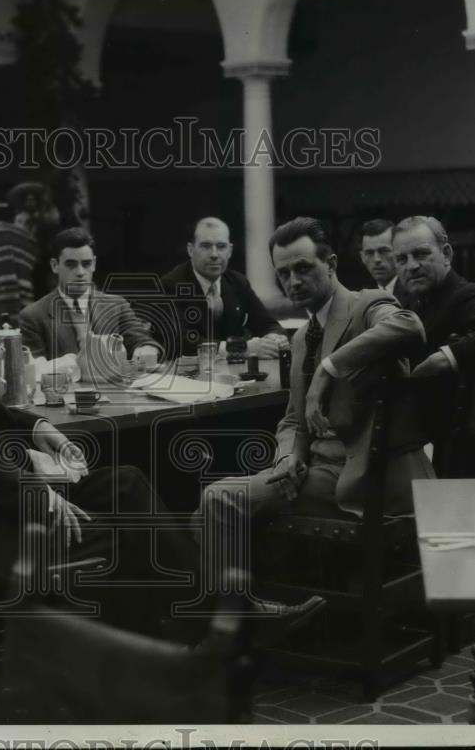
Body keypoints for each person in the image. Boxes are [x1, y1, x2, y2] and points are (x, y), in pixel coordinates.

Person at [0, 225, 319, 641]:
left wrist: (39, 427)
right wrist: (37, 492)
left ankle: (203, 620)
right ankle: (203, 632)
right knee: (132, 523)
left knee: (127, 481)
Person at [198, 218, 432, 540]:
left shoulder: (365, 305)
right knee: (208, 505)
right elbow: (294, 420)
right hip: (314, 472)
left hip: (363, 479)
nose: (293, 281)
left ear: (331, 263)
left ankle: (230, 590)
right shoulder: (302, 337)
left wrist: (329, 367)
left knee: (218, 500)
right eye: (283, 274)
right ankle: (240, 587)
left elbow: (409, 326)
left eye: (303, 268)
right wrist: (287, 457)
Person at [392, 215, 475, 378]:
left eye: (421, 254)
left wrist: (444, 358)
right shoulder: (410, 301)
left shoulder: (464, 295)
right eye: (402, 259)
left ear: (446, 254)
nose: (411, 266)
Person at [19, 227, 161, 361]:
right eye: (71, 265)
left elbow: (141, 339)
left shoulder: (117, 306)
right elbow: (35, 371)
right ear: (55, 266)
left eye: (86, 264)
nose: (80, 272)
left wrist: (147, 348)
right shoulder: (33, 316)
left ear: (94, 264)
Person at [160, 217, 287, 359]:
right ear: (190, 250)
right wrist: (240, 349)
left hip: (233, 374)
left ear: (230, 251)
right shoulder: (171, 285)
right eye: (206, 246)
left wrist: (274, 339)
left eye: (221, 246)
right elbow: (180, 341)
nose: (214, 254)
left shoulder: (238, 282)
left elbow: (268, 323)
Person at [358, 218, 400, 296]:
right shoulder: (362, 296)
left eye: (384, 251)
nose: (377, 259)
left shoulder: (414, 291)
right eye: (369, 253)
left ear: (398, 253)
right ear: (362, 257)